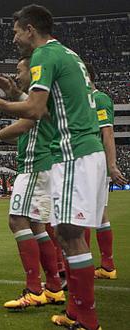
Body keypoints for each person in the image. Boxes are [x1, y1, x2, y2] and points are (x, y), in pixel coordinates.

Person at [0, 5, 107, 329]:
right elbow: (45, 112)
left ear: (31, 29)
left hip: (74, 151)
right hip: (80, 152)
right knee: (64, 233)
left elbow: (34, 110)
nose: (14, 36)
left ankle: (86, 318)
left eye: (17, 30)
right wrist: (15, 93)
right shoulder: (67, 54)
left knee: (69, 234)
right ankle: (76, 311)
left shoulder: (44, 55)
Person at [0, 56, 65, 310]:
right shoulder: (39, 98)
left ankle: (34, 289)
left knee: (17, 220)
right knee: (37, 225)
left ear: (33, 72)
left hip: (35, 167)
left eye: (20, 71)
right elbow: (25, 130)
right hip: (41, 165)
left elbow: (26, 123)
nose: (17, 75)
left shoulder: (38, 97)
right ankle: (54, 287)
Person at [85, 63, 128, 280]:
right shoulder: (82, 99)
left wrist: (112, 165)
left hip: (93, 161)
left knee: (82, 212)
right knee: (98, 213)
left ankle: (82, 266)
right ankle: (107, 265)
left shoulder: (98, 98)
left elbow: (108, 132)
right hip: (90, 160)